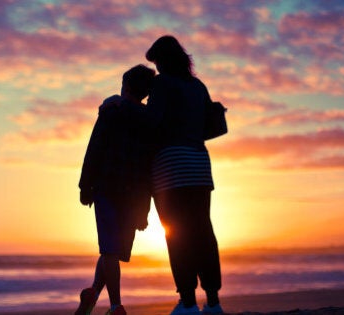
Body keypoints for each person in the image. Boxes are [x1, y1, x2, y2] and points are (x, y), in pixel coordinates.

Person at [145, 35, 224, 315]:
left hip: (170, 167)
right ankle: (213, 302)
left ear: (162, 60)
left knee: (177, 235)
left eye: (156, 62)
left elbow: (151, 122)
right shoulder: (198, 85)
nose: (155, 69)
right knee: (203, 231)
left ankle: (188, 302)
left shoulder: (163, 83)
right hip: (199, 166)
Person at [76, 64, 156, 315]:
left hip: (107, 188)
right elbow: (148, 168)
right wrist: (144, 209)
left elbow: (95, 148)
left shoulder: (112, 111)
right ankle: (91, 295)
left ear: (128, 87)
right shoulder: (149, 120)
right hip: (134, 195)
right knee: (113, 249)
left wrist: (84, 185)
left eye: (123, 85)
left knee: (110, 250)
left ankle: (115, 307)